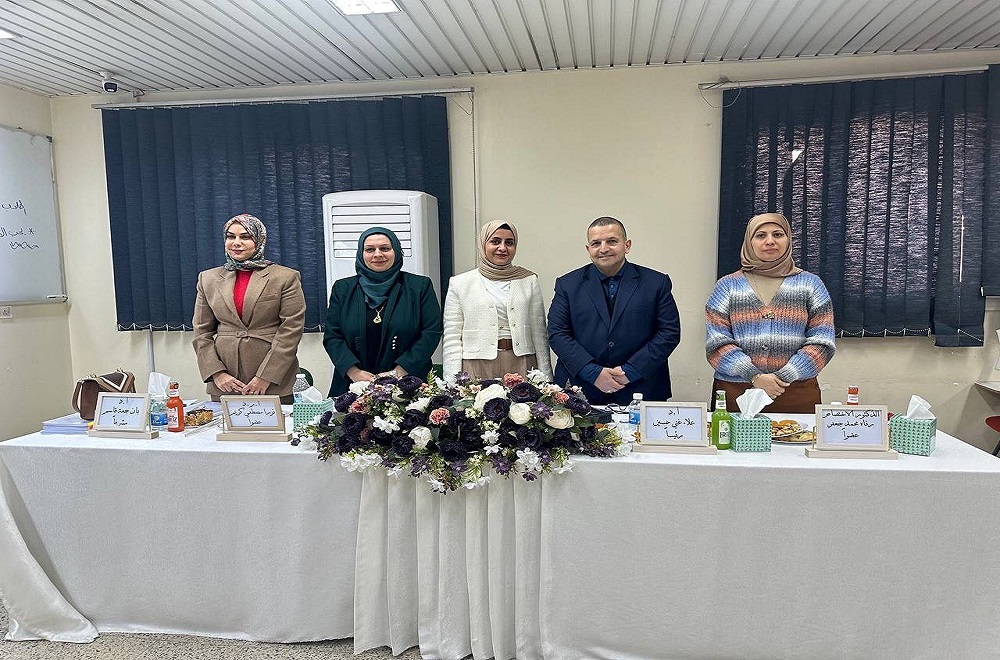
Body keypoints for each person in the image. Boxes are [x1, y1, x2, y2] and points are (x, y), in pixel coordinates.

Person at [705, 212, 836, 413]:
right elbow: (717, 342)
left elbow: (822, 341)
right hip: (736, 391)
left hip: (795, 392)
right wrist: (754, 376)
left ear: (788, 240)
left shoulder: (811, 284)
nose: (770, 241)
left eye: (777, 234)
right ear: (749, 242)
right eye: (760, 235)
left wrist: (784, 376)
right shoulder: (727, 286)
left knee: (798, 443)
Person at [547, 216, 681, 405]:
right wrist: (593, 372)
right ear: (588, 249)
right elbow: (557, 333)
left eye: (612, 241)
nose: (603, 248)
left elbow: (669, 333)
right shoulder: (567, 284)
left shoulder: (656, 283)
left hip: (641, 387)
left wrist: (630, 371)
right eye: (596, 243)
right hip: (580, 388)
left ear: (627, 245)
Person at [192, 213, 306, 403]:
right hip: (225, 382)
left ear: (259, 240)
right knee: (224, 433)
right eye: (231, 236)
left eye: (245, 237)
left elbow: (291, 330)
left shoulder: (285, 277)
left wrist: (266, 376)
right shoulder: (208, 278)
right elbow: (201, 332)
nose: (236, 242)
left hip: (273, 381)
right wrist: (217, 373)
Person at [324, 227, 442, 396]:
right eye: (370, 249)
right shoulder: (343, 289)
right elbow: (332, 336)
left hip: (409, 383)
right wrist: (354, 373)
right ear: (361, 254)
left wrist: (399, 372)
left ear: (396, 252)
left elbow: (431, 332)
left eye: (385, 248)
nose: (377, 254)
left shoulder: (419, 286)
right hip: (353, 385)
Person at [442, 221, 552, 381]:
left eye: (509, 243)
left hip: (521, 362)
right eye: (495, 241)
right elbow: (452, 336)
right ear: (482, 244)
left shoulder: (528, 280)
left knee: (523, 406)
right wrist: (451, 381)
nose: (502, 248)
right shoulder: (460, 283)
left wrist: (546, 377)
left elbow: (539, 333)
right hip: (476, 364)